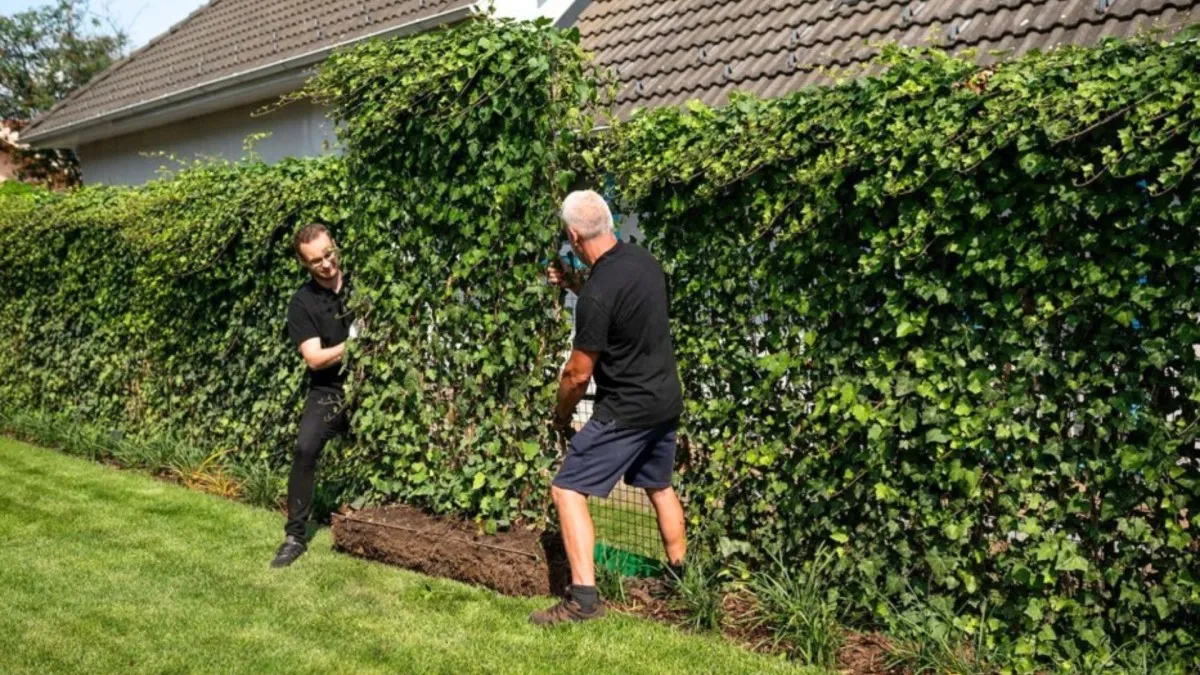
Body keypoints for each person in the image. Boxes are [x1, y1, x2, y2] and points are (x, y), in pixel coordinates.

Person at [531, 190, 687, 625]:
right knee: (659, 487)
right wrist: (574, 284)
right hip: (665, 399)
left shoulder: (599, 292)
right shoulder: (643, 262)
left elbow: (577, 375)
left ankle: (582, 600)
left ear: (573, 236)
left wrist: (561, 415)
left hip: (627, 409)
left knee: (566, 489)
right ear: (610, 223)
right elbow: (618, 305)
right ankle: (681, 581)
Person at [270, 223, 357, 568]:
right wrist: (355, 347)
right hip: (330, 388)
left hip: (374, 387)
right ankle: (294, 536)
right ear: (305, 265)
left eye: (329, 254)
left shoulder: (364, 283)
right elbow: (314, 358)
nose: (326, 264)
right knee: (305, 448)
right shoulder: (302, 302)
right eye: (316, 261)